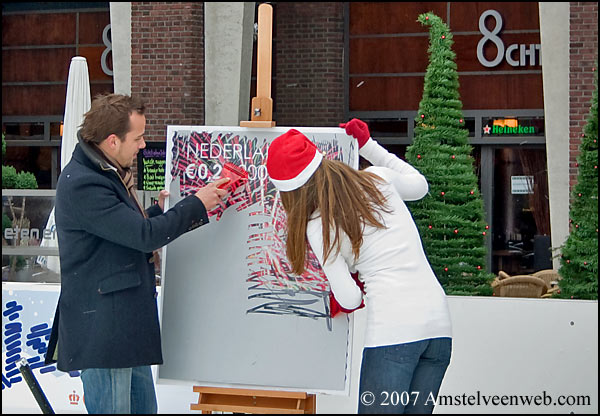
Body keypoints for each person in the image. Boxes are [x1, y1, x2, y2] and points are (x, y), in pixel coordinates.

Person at [44, 93, 229, 414]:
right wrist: (196, 204)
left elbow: (124, 233)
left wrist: (159, 211)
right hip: (106, 334)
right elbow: (142, 237)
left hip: (122, 331)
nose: (143, 145)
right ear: (112, 141)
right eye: (139, 137)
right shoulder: (85, 184)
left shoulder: (103, 174)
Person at [266, 120, 452, 414]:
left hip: (394, 333)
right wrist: (368, 146)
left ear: (292, 193)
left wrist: (351, 279)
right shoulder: (377, 179)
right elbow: (420, 185)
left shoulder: (318, 226)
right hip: (440, 330)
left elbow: (350, 298)